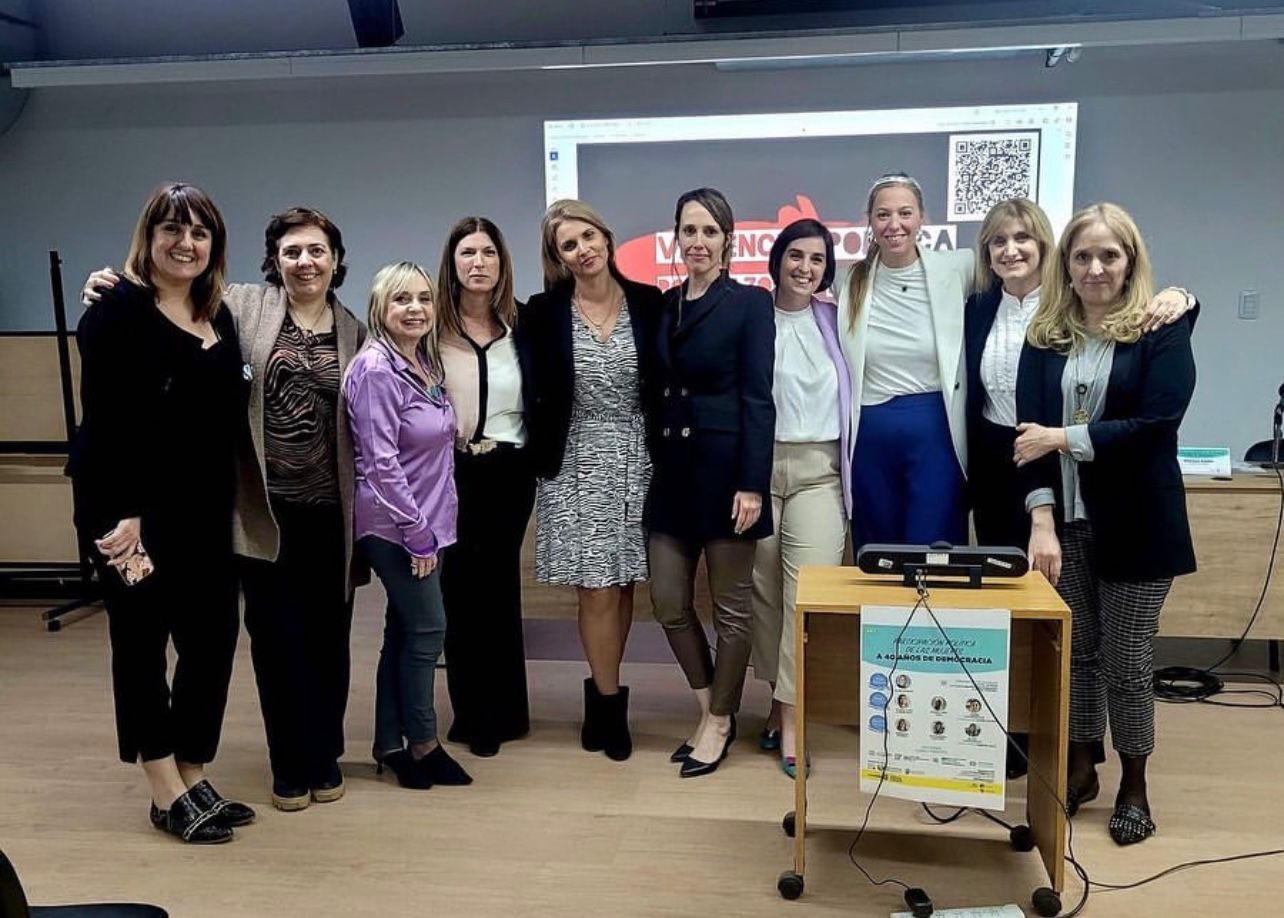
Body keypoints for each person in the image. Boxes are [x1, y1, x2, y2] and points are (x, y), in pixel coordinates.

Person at [84, 207, 368, 812]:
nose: (305, 262)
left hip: (322, 510)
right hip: (255, 509)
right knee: (269, 641)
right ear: (274, 260)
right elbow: (154, 311)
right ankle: (279, 766)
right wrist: (108, 286)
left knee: (315, 641)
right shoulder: (238, 305)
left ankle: (313, 755)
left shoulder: (354, 330)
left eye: (317, 250)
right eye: (292, 251)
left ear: (337, 259)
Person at [963, 197, 1196, 779]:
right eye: (1083, 257)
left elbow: (1155, 425)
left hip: (1138, 520)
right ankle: (1081, 764)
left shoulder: (1160, 329)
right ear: (1065, 264)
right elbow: (1030, 438)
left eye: (1109, 256)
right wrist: (1042, 516)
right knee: (1078, 651)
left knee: (1128, 659)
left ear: (1131, 261)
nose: (1095, 268)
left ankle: (1135, 784)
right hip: (1065, 518)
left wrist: (1062, 438)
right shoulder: (1047, 336)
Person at [68, 182, 252, 843]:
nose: (185, 243)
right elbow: (109, 424)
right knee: (143, 643)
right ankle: (163, 787)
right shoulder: (116, 310)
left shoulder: (218, 315)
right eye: (172, 229)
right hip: (128, 517)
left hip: (202, 512)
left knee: (213, 638)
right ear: (148, 236)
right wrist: (126, 513)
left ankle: (192, 770)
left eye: (199, 232)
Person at [524, 200, 664, 762]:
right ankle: (607, 707)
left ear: (606, 238)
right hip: (577, 459)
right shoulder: (542, 312)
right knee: (597, 587)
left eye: (588, 237)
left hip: (639, 457)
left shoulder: (650, 302)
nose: (582, 250)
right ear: (558, 258)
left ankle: (607, 693)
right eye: (568, 245)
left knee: (624, 584)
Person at [649, 187, 775, 778]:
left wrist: (752, 483)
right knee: (668, 601)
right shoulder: (664, 304)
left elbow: (758, 398)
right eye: (688, 230)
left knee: (731, 611)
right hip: (672, 474)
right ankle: (708, 707)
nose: (697, 241)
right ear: (676, 237)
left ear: (728, 240)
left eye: (709, 231)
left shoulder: (750, 304)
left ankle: (720, 722)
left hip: (727, 475)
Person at [344, 262, 472, 790]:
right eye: (402, 300)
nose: (415, 308)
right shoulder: (376, 369)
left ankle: (389, 744)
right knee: (427, 631)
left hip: (428, 520)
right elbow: (379, 463)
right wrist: (418, 535)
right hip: (395, 524)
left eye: (423, 298)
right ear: (380, 308)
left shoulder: (421, 361)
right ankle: (423, 743)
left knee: (402, 631)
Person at [750, 219, 851, 779]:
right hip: (758, 471)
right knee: (764, 595)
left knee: (805, 595)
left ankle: (792, 718)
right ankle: (777, 699)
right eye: (796, 255)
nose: (805, 268)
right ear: (777, 259)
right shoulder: (752, 317)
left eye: (817, 259)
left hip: (820, 472)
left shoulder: (837, 319)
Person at [435, 217, 536, 758]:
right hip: (450, 471)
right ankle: (471, 714)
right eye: (468, 252)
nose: (479, 263)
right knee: (459, 590)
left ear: (502, 262)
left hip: (508, 471)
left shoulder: (522, 325)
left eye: (489, 253)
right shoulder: (432, 327)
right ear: (452, 263)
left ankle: (507, 711)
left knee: (498, 586)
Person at [836, 173, 975, 552]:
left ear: (922, 218)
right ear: (869, 220)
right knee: (878, 555)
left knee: (935, 551)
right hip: (870, 436)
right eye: (883, 214)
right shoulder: (847, 280)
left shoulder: (959, 267)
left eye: (905, 213)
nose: (894, 224)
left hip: (936, 432)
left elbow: (1028, 276)